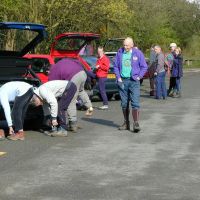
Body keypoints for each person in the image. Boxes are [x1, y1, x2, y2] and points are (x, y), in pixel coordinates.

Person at [48, 58, 93, 132]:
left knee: (70, 100)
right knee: (81, 91)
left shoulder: (53, 70)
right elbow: (79, 63)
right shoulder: (66, 61)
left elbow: (52, 88)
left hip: (74, 77)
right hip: (82, 73)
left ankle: (73, 123)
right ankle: (90, 106)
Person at [114, 37, 148, 133]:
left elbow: (144, 66)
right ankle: (126, 123)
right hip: (123, 81)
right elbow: (116, 66)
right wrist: (118, 77)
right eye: (124, 45)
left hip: (134, 82)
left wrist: (139, 76)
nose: (125, 47)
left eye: (127, 45)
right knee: (124, 103)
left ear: (132, 45)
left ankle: (136, 123)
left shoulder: (138, 53)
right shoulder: (119, 52)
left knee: (135, 102)